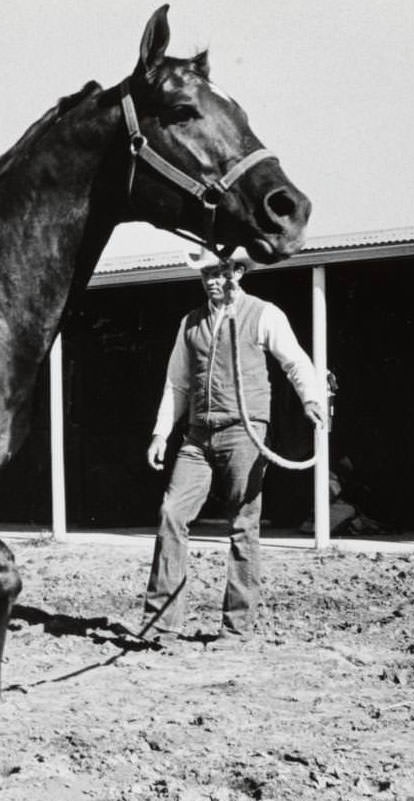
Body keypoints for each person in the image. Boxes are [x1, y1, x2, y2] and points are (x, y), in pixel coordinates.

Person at [144, 249, 324, 645]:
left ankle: (236, 627)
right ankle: (160, 625)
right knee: (171, 512)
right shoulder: (189, 323)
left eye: (220, 271)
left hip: (245, 431)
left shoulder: (263, 314)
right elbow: (177, 383)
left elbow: (294, 362)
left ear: (238, 272)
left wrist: (310, 399)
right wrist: (161, 432)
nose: (212, 279)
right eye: (206, 272)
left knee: (243, 523)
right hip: (198, 435)